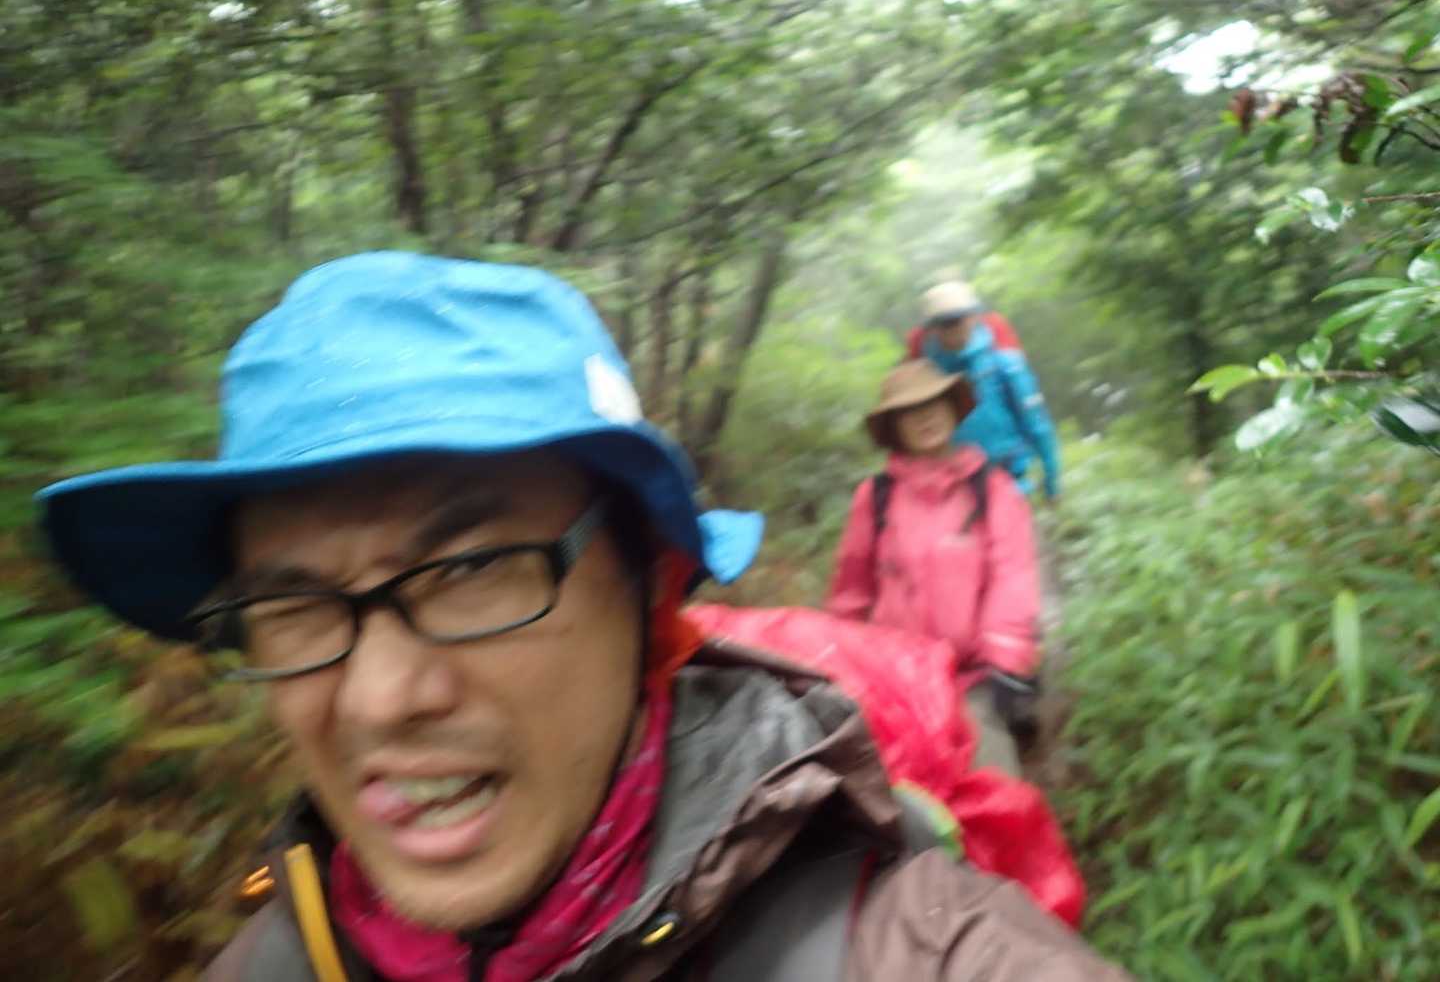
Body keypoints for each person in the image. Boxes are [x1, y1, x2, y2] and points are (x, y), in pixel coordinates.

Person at [38, 252, 1126, 981]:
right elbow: (853, 593)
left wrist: (1000, 666)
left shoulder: (915, 950)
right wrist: (874, 642)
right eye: (291, 603)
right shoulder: (274, 957)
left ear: (652, 589)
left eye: (473, 570)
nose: (376, 700)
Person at [827, 359, 1042, 777]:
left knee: (991, 789)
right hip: (895, 682)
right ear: (895, 427)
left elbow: (1012, 576)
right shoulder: (876, 497)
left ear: (952, 409)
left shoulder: (992, 489)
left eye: (933, 404)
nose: (925, 416)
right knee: (900, 797)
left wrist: (1006, 659)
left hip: (972, 680)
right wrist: (840, 664)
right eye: (910, 411)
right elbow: (852, 591)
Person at [909, 280, 1061, 502]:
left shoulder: (1006, 365)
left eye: (956, 320)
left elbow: (1036, 423)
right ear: (931, 328)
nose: (951, 329)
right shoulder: (923, 375)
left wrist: (1051, 480)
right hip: (950, 491)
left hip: (1009, 482)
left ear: (974, 317)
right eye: (942, 323)